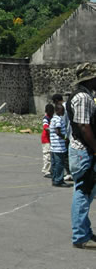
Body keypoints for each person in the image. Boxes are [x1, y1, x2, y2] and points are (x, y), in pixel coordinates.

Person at [66, 63, 96, 248]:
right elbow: (84, 127)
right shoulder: (83, 97)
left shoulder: (84, 96)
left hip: (82, 151)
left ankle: (85, 231)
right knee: (83, 192)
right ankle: (79, 235)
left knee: (86, 191)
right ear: (90, 78)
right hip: (83, 152)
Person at [53, 93, 73, 182]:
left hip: (66, 134)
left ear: (56, 101)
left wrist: (65, 137)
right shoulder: (68, 105)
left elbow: (63, 122)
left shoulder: (61, 108)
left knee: (65, 156)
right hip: (71, 133)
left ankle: (69, 173)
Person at [41, 104, 53, 179]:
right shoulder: (46, 118)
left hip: (50, 139)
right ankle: (46, 170)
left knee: (50, 155)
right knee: (47, 154)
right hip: (46, 139)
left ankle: (50, 169)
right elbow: (45, 127)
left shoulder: (51, 118)